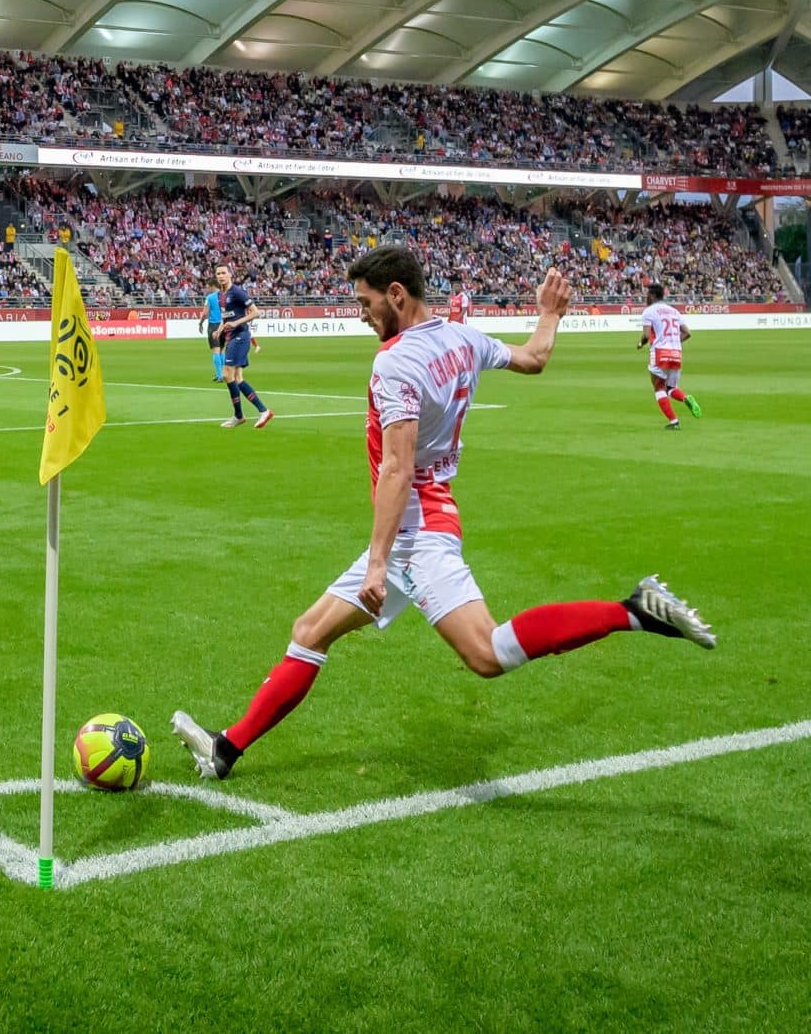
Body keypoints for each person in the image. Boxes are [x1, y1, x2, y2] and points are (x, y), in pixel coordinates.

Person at [169, 246, 715, 782]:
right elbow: (534, 358)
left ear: (397, 295)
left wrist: (379, 562)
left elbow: (397, 469)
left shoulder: (396, 362)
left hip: (416, 531)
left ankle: (635, 610)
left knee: (486, 652)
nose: (362, 316)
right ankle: (226, 749)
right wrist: (549, 315)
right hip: (421, 519)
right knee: (310, 631)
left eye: (366, 304)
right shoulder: (461, 336)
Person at [214, 262, 272, 428]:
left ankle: (259, 411)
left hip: (240, 336)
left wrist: (236, 323)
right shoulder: (220, 295)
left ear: (230, 274)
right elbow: (225, 318)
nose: (221, 276)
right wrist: (219, 330)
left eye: (223, 273)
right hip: (231, 337)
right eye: (218, 274)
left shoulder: (237, 292)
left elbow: (256, 312)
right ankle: (243, 415)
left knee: (226, 374)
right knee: (237, 378)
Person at [638, 282, 702, 430]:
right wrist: (673, 341)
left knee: (659, 388)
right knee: (671, 388)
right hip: (676, 353)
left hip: (660, 352)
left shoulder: (649, 311)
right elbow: (687, 333)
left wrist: (640, 344)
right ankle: (686, 398)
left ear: (653, 295)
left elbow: (646, 336)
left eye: (647, 294)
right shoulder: (674, 311)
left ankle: (674, 422)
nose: (645, 297)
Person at [204, 284, 227, 383]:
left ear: (212, 286)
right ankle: (225, 374)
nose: (207, 288)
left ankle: (220, 375)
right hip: (223, 324)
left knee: (216, 351)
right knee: (221, 350)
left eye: (208, 286)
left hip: (213, 325)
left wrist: (200, 322)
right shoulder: (224, 295)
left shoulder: (209, 297)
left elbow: (205, 313)